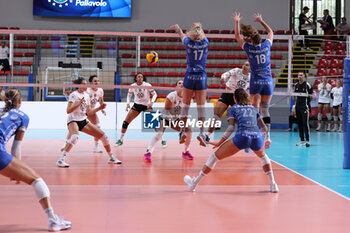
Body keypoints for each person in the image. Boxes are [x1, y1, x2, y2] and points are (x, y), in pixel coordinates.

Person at [0, 88, 72, 231]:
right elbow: (16, 148)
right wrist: (16, 173)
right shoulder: (23, 116)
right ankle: (53, 220)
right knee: (36, 180)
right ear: (20, 101)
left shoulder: (2, 112)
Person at [184, 88, 278, 193]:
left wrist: (220, 142)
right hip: (256, 136)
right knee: (264, 157)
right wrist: (266, 138)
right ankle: (273, 184)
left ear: (234, 98)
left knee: (214, 157)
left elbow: (231, 128)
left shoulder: (233, 109)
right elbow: (264, 128)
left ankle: (194, 184)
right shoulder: (253, 109)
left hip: (242, 136)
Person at [57, 77, 122, 167]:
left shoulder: (87, 95)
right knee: (75, 136)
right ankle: (61, 160)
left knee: (104, 137)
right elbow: (68, 111)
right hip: (73, 120)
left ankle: (111, 157)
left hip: (83, 121)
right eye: (84, 84)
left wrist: (100, 108)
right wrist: (78, 104)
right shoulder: (74, 95)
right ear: (79, 86)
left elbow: (89, 112)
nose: (86, 86)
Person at [232, 12, 274, 148]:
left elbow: (237, 36)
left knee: (255, 109)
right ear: (260, 39)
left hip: (256, 81)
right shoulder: (266, 45)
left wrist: (237, 21)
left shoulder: (249, 48)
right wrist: (261, 21)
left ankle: (254, 133)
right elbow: (270, 32)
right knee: (265, 108)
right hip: (267, 81)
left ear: (251, 40)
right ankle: (268, 136)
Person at [169, 22, 209, 146]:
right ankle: (202, 133)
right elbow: (202, 34)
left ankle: (182, 132)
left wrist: (178, 28)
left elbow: (182, 35)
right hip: (201, 77)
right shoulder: (205, 43)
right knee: (201, 109)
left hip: (190, 76)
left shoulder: (188, 43)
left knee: (185, 108)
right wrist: (199, 26)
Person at [143, 80, 194, 162]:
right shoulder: (171, 95)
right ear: (176, 86)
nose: (181, 84)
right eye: (179, 83)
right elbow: (166, 110)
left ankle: (186, 152)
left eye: (183, 83)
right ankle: (148, 153)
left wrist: (182, 127)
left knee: (190, 131)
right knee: (159, 134)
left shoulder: (187, 97)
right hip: (165, 117)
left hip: (175, 118)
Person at [203, 61, 251, 143]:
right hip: (227, 94)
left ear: (251, 68)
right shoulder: (237, 71)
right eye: (244, 64)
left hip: (237, 98)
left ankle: (244, 138)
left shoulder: (250, 78)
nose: (245, 66)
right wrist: (223, 78)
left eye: (247, 65)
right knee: (216, 116)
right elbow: (226, 74)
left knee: (233, 122)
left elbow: (248, 91)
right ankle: (207, 136)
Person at [115, 72, 157, 146]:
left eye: (141, 77)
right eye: (139, 76)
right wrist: (127, 103)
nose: (140, 78)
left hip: (146, 106)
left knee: (155, 124)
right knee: (125, 122)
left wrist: (152, 102)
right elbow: (129, 95)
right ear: (136, 78)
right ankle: (120, 140)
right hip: (137, 106)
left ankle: (163, 140)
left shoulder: (147, 85)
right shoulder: (133, 86)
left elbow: (155, 94)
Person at [86, 75, 106, 153]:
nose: (97, 82)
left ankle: (96, 146)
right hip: (83, 110)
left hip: (92, 111)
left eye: (98, 81)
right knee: (75, 126)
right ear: (91, 83)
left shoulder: (100, 90)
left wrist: (102, 109)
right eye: (95, 81)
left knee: (97, 126)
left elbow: (101, 100)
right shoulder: (87, 90)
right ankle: (67, 142)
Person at [294, 72, 313, 146]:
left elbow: (311, 96)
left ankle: (307, 140)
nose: (299, 76)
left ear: (304, 76)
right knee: (300, 123)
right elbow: (296, 96)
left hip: (304, 106)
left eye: (301, 75)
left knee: (305, 123)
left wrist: (307, 104)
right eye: (298, 75)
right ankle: (302, 140)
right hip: (297, 107)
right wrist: (294, 106)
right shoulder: (296, 85)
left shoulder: (307, 85)